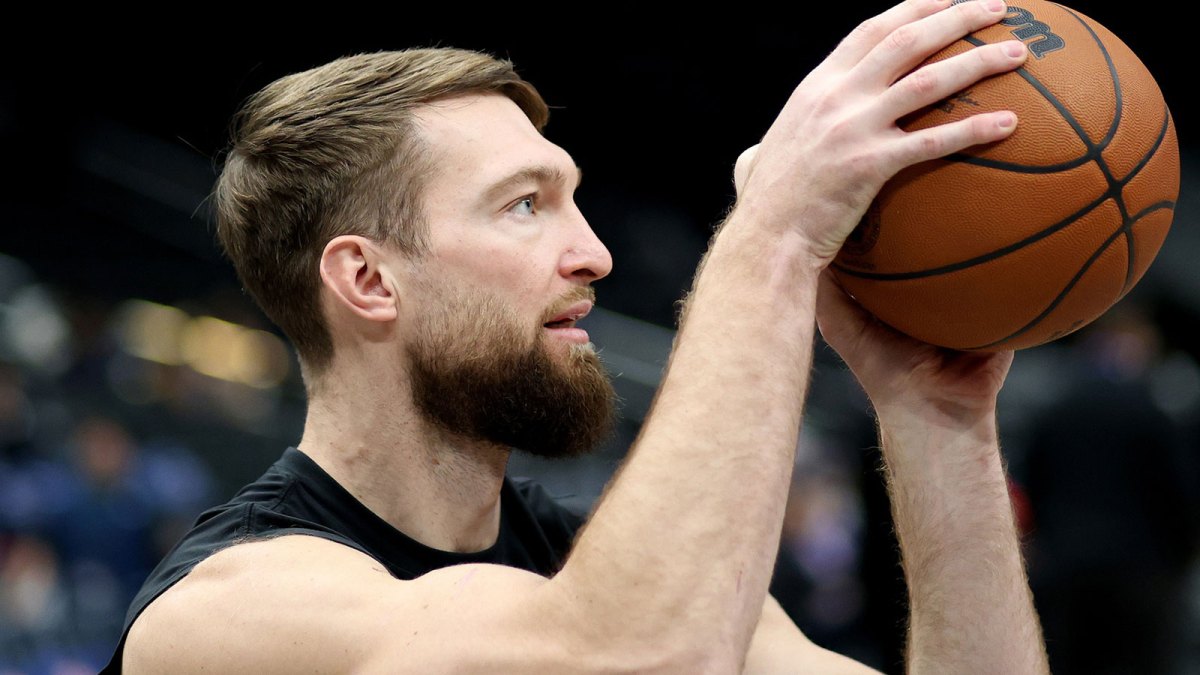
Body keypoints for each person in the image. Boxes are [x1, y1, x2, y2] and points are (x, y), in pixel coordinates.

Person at [106, 0, 1049, 671]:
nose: (593, 253)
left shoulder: (587, 563)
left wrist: (936, 420)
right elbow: (641, 659)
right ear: (367, 280)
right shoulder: (227, 612)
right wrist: (770, 238)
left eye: (575, 200)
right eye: (525, 205)